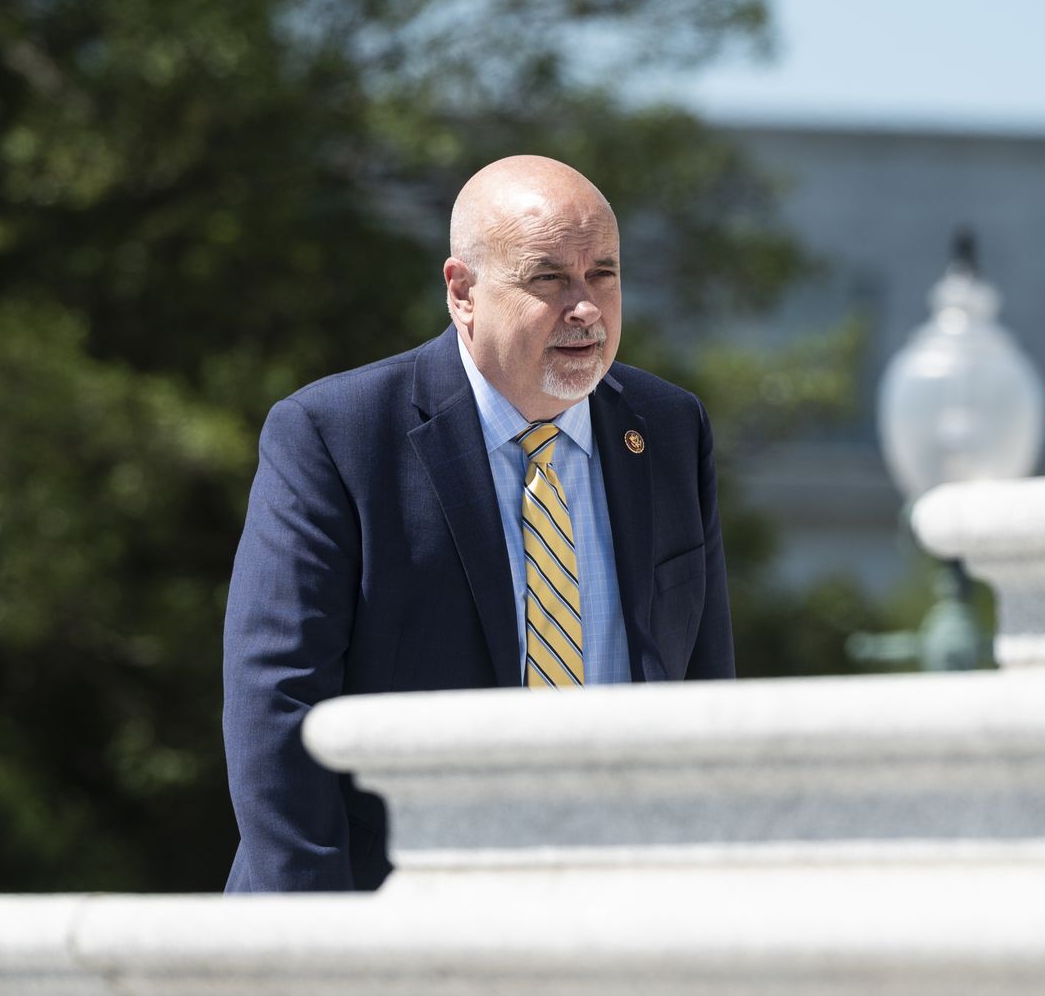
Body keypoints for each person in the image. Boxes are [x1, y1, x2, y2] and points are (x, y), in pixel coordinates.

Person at [222, 155, 733, 892]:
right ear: (463, 291)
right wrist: (314, 941)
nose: (585, 308)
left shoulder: (669, 429)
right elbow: (277, 704)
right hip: (392, 914)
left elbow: (706, 697)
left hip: (621, 912)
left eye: (604, 275)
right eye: (549, 279)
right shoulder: (336, 435)